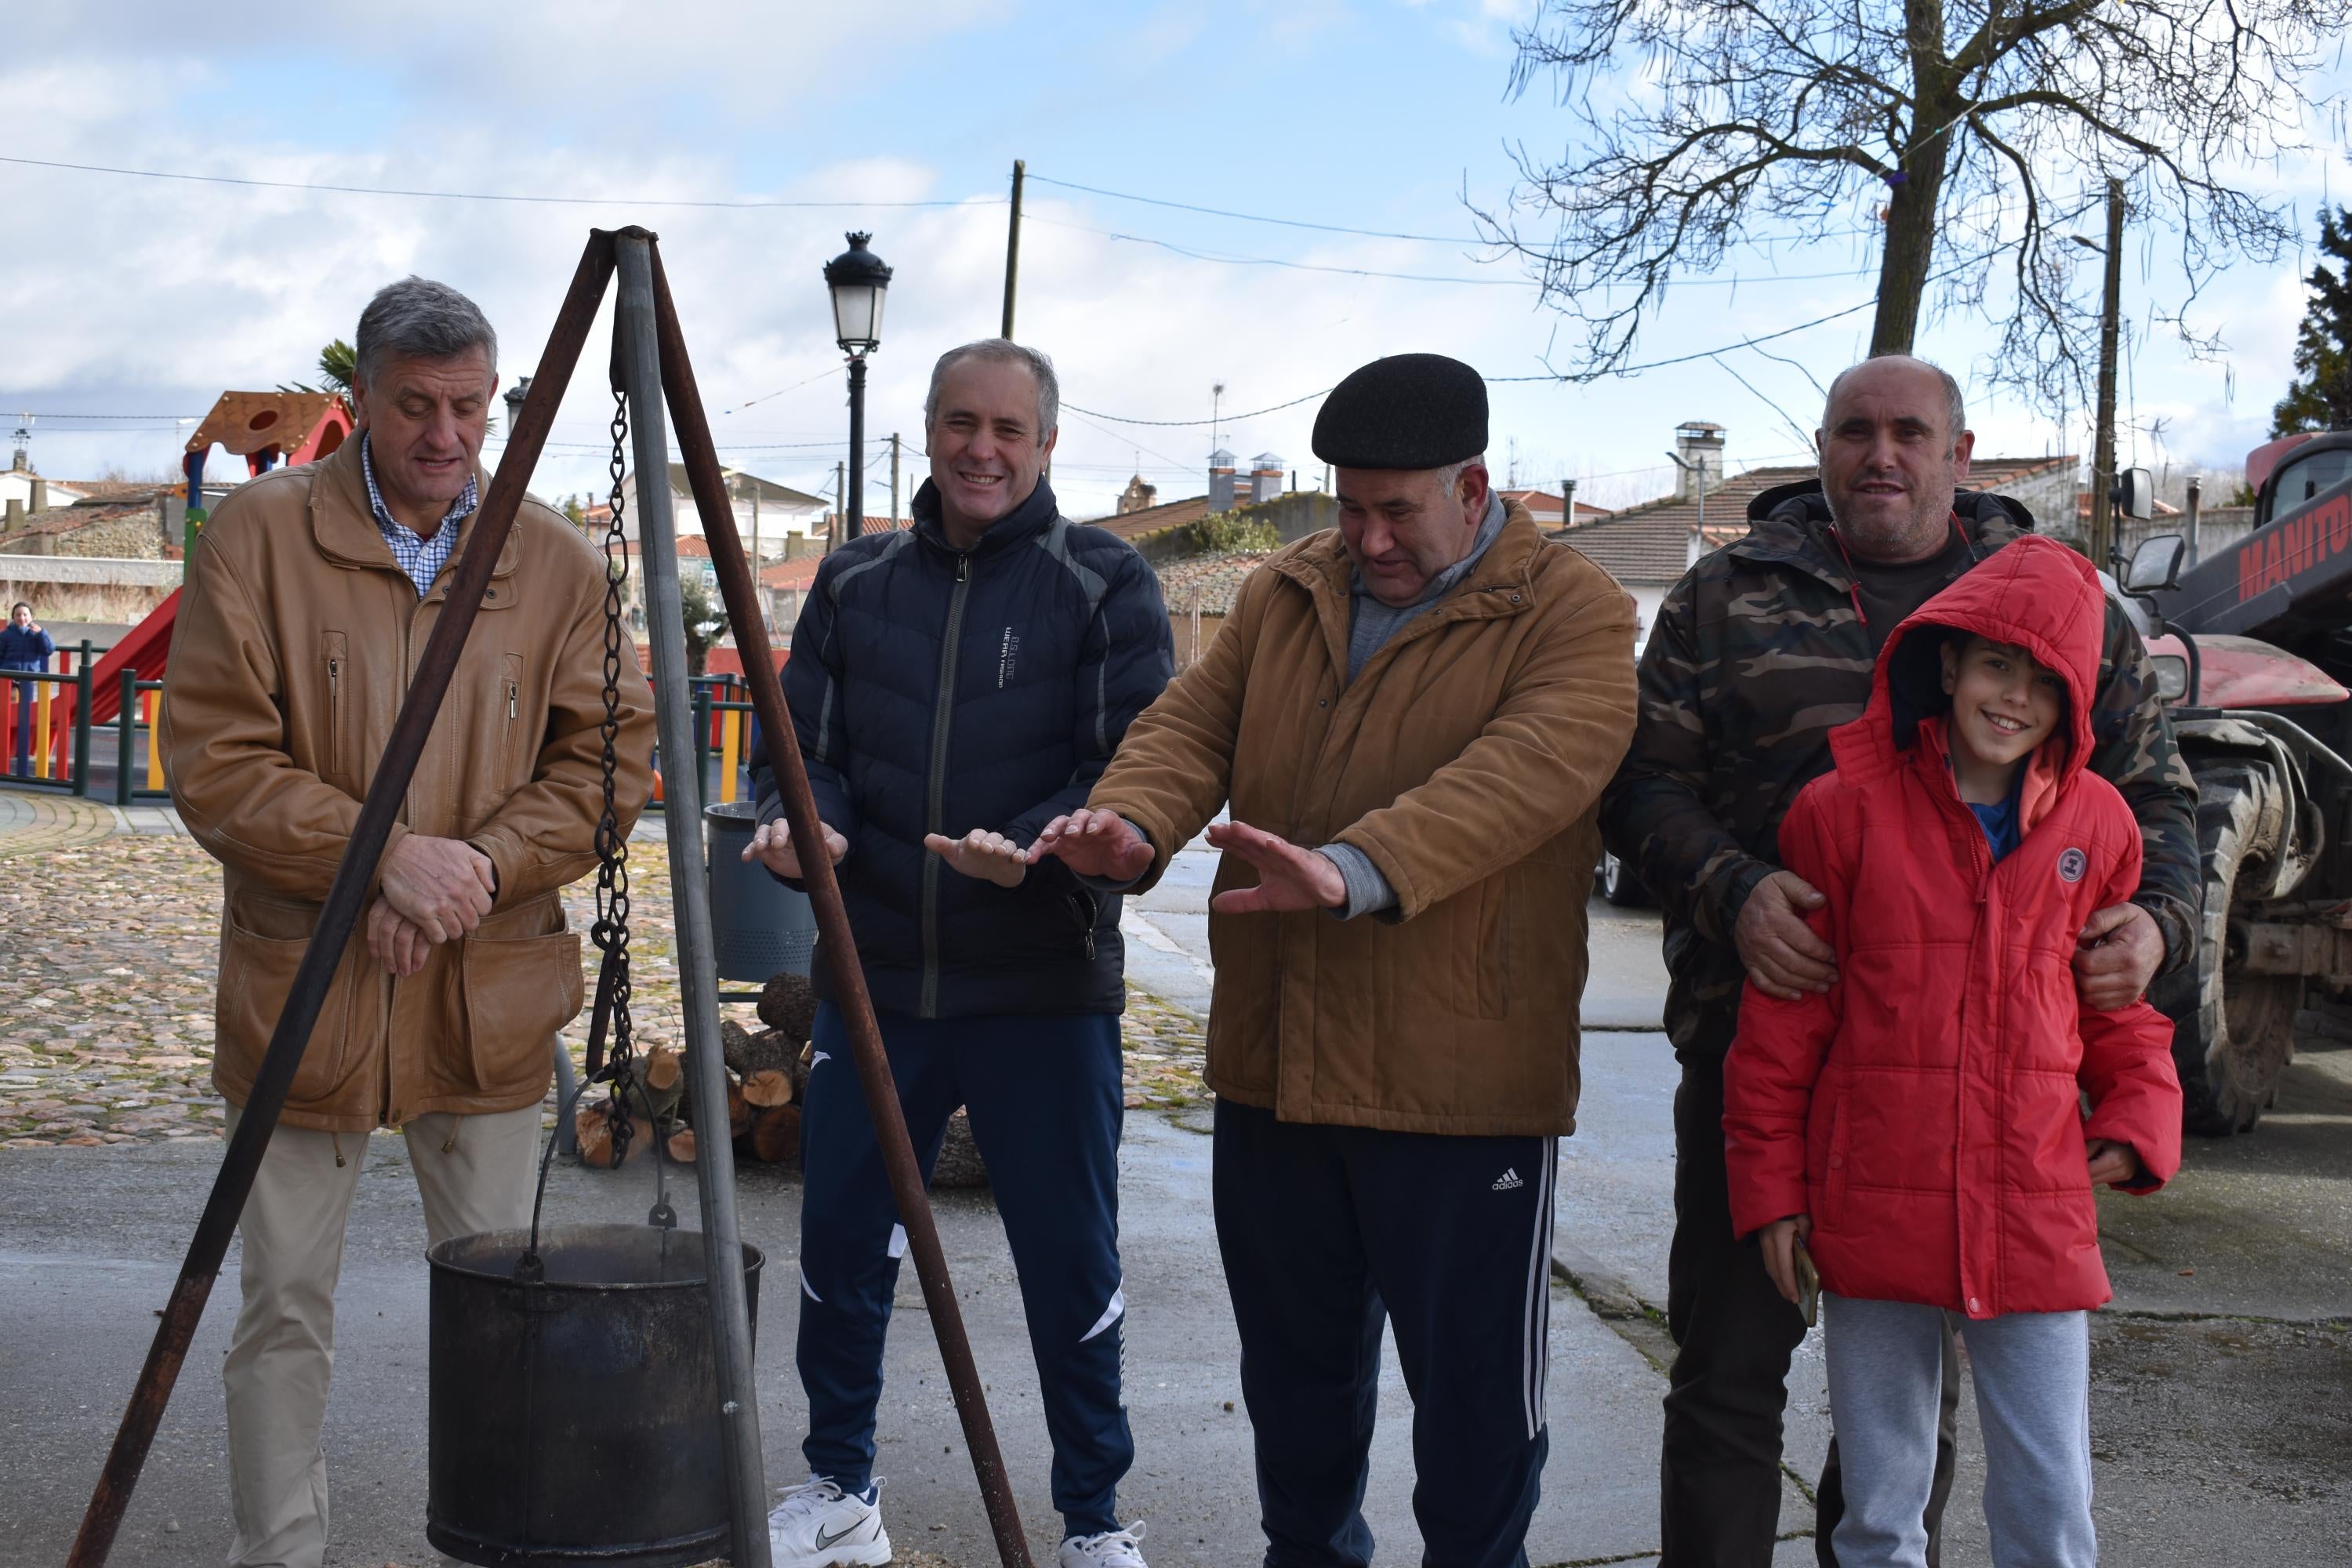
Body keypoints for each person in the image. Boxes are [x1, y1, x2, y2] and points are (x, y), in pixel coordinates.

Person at [1034, 353, 1640, 1568]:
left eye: (1395, 510)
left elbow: (1526, 773)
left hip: (1462, 1094)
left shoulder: (1572, 609)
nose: (1365, 539)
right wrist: (1132, 823)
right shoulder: (1286, 591)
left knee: (1475, 1438)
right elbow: (1192, 725)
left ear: (1474, 485)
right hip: (1278, 1073)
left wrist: (1356, 867)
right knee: (1298, 1420)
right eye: (1349, 507)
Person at [1599, 353, 2200, 1566]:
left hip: (1978, 1093)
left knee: (1904, 1425)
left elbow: (2154, 801)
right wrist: (1738, 889)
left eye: (1912, 433)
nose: (1884, 454)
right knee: (1725, 1373)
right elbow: (1640, 787)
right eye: (1856, 430)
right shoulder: (1725, 593)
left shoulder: (2052, 597)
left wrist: (2161, 928)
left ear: (1959, 454)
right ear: (1821, 450)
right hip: (1759, 1038)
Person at [163, 275, 653, 1568]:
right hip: (305, 982)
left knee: (505, 1309)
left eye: (471, 409)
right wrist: (378, 861)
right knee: (280, 1305)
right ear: (363, 400)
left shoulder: (550, 560)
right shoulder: (257, 541)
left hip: (483, 984)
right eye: (418, 407)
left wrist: (472, 875)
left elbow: (609, 764)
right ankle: (278, 1554)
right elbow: (215, 758)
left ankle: (504, 1548)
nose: (448, 437)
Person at [742, 338, 1173, 1568]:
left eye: (1009, 430)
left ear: (1046, 444)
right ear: (929, 431)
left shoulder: (1105, 583)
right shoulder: (856, 580)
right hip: (877, 979)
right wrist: (805, 814)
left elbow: (1129, 767)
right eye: (960, 424)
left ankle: (1094, 1520)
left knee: (1068, 1259)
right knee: (843, 1240)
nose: (982, 449)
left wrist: (1034, 845)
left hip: (1042, 982)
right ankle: (841, 1489)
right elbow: (798, 740)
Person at [1722, 534, 2183, 1568]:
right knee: (1880, 1509)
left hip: (2033, 1208)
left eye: (2041, 678)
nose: (2012, 697)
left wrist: (2141, 1115)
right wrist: (1771, 1188)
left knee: (2051, 1505)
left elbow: (2117, 1002)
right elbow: (1784, 1020)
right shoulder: (1841, 813)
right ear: (1945, 665)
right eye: (1992, 665)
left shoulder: (2101, 827)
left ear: (2074, 698)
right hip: (1873, 1204)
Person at [1, 601, 56, 775]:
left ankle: (20, 748)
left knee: (26, 714)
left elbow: (48, 650)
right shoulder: (6, 635)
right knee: (7, 713)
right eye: (18, 615)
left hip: (29, 677)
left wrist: (43, 634)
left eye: (25, 615)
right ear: (13, 617)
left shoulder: (36, 634)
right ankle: (5, 747)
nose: (22, 618)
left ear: (31, 617)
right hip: (9, 677)